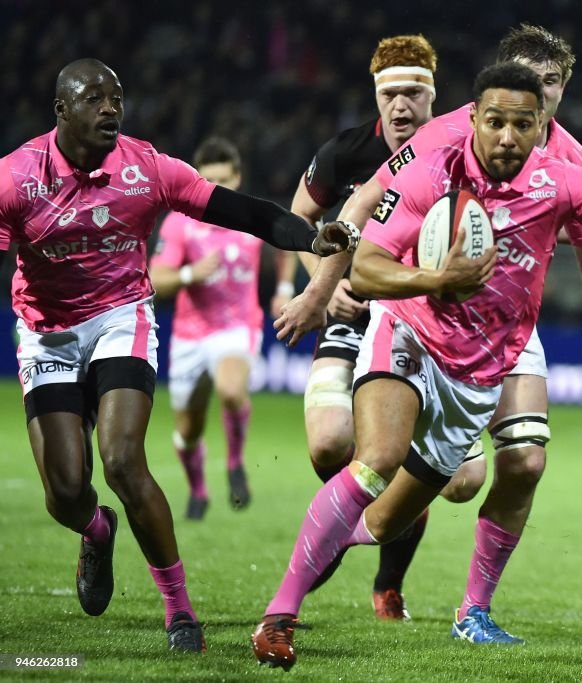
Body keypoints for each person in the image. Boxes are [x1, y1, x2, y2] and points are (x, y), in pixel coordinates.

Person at [251, 62, 582, 670]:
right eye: (495, 122)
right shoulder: (430, 171)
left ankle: (379, 561)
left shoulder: (563, 182)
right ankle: (278, 618)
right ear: (473, 119)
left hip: (481, 369)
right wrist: (436, 279)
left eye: (523, 124)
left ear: (541, 124)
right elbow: (366, 268)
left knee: (384, 523)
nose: (507, 137)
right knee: (375, 462)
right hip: (409, 332)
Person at [276, 24, 582, 636]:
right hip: (426, 314)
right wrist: (324, 284)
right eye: (523, 81)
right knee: (359, 458)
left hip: (511, 328)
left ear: (562, 90)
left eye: (547, 86)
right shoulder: (443, 136)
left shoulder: (571, 162)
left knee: (523, 464)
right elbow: (359, 207)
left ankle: (474, 610)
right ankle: (332, 548)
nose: (532, 98)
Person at [0, 59, 351, 652]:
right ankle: (95, 528)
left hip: (121, 318)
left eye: (117, 97)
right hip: (48, 331)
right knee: (65, 491)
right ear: (61, 110)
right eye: (94, 99)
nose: (111, 108)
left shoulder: (147, 167)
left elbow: (246, 211)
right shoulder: (16, 179)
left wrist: (310, 236)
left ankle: (179, 611)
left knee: (121, 460)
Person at [284, 34, 453, 621]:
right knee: (330, 443)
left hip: (424, 326)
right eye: (390, 94)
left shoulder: (460, 153)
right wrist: (325, 287)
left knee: (455, 479)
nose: (401, 105)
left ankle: (387, 582)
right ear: (375, 98)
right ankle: (335, 526)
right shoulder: (343, 154)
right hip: (355, 316)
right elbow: (298, 218)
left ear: (433, 96)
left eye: (413, 92)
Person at [151, 137, 279, 520]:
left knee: (230, 388)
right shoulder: (180, 224)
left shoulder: (252, 217)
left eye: (223, 179)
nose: (216, 189)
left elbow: (286, 243)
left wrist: (286, 289)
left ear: (237, 178)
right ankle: (199, 492)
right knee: (188, 430)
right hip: (190, 335)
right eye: (208, 181)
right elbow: (157, 280)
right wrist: (190, 273)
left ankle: (235, 464)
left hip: (238, 326)